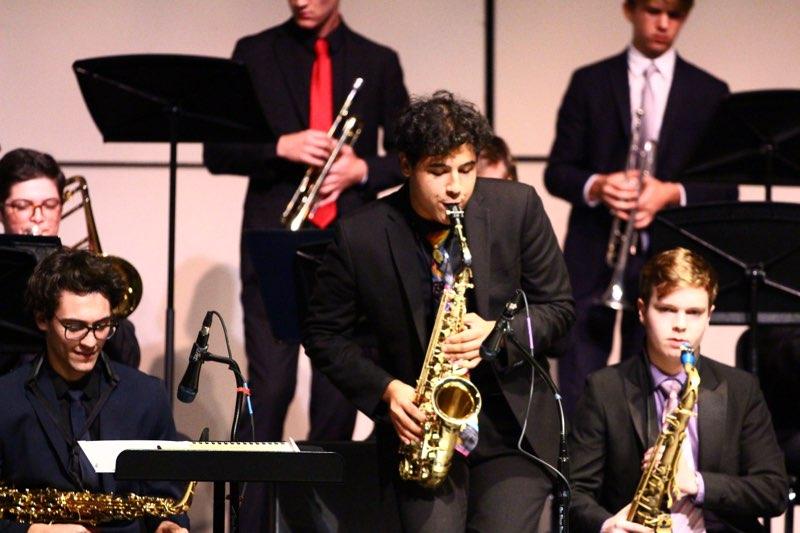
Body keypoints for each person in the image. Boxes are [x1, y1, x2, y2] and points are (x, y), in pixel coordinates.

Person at [302, 91, 575, 532]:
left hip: (511, 433)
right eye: (438, 171)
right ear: (407, 166)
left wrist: (497, 334)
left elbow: (559, 311)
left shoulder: (517, 207)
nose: (456, 187)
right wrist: (388, 390)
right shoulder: (361, 235)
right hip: (422, 429)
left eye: (467, 170)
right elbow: (323, 334)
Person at [202, 0, 410, 446]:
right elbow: (216, 151)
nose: (300, 1)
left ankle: (316, 518)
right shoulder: (254, 53)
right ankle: (252, 517)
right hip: (273, 242)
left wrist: (363, 170)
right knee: (269, 392)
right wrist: (280, 146)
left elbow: (408, 158)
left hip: (350, 244)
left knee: (338, 401)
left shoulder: (378, 61)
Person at [544, 0, 739, 418]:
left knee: (654, 377)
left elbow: (726, 189)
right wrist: (598, 185)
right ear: (629, 10)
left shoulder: (709, 91)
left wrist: (669, 193)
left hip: (667, 253)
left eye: (676, 14)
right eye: (654, 10)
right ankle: (577, 473)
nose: (664, 23)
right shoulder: (590, 82)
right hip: (595, 248)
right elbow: (557, 172)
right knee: (578, 370)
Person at [569, 247, 788, 532]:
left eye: (694, 312)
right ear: (641, 311)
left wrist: (696, 483)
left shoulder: (740, 389)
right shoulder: (604, 388)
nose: (681, 325)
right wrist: (607, 525)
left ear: (709, 315)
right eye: (667, 310)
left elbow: (773, 490)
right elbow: (573, 493)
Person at [0, 248, 189, 533]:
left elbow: (165, 498)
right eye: (74, 326)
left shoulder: (147, 396)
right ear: (42, 318)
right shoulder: (5, 399)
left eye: (101, 326)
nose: (90, 342)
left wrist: (168, 524)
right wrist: (34, 531)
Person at [0, 148, 141, 372]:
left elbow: (128, 359)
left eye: (49, 205)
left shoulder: (81, 272)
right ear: (2, 211)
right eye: (22, 206)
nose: (38, 217)